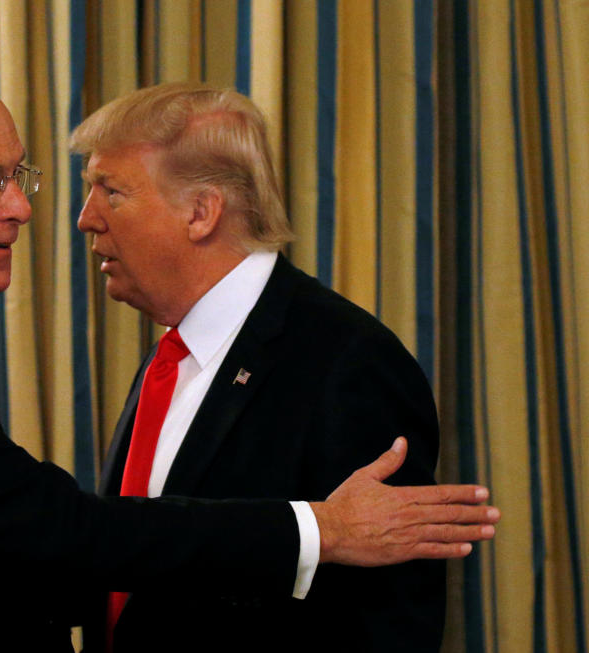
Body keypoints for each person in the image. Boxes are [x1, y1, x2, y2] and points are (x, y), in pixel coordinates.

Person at [0, 63, 498, 652]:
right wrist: (318, 530)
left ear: (202, 211)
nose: (34, 210)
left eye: (18, 178)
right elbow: (59, 534)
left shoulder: (347, 363)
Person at [71, 83, 449, 652]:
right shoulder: (172, 355)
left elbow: (388, 619)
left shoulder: (349, 361)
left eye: (112, 191)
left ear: (201, 212)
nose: (86, 219)